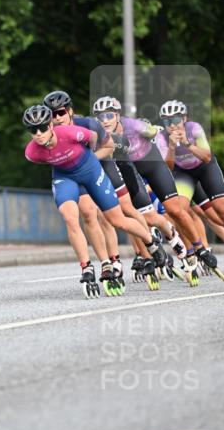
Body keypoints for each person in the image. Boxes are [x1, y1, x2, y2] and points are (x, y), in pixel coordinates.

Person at [23, 104, 168, 296]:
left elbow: (97, 139)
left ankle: (151, 242)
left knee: (117, 220)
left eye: (42, 127)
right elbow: (46, 159)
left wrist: (89, 157)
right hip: (65, 177)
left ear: (51, 125)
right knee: (71, 217)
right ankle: (88, 267)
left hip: (91, 171)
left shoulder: (72, 133)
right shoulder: (32, 152)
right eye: (33, 130)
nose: (39, 133)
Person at [92, 96, 219, 284]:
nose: (105, 121)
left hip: (153, 166)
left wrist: (157, 136)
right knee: (141, 216)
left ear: (118, 115)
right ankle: (150, 253)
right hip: (131, 171)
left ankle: (199, 248)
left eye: (109, 116)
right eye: (100, 117)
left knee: (175, 210)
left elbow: (155, 134)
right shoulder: (100, 135)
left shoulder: (132, 125)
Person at [155, 100, 224, 282]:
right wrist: (173, 147)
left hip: (205, 167)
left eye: (176, 119)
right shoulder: (161, 137)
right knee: (177, 210)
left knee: (222, 210)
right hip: (183, 173)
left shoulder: (194, 128)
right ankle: (193, 252)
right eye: (167, 122)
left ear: (185, 118)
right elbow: (168, 166)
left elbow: (206, 156)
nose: (172, 125)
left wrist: (187, 143)